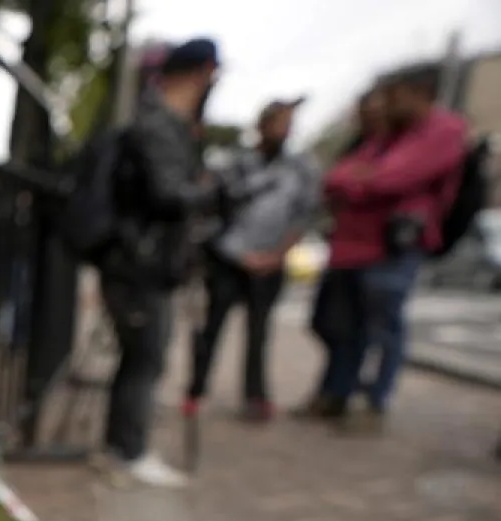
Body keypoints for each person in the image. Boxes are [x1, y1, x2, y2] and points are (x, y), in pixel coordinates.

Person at [96, 37, 224, 487]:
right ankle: (128, 450)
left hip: (148, 262)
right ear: (202, 72)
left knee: (143, 358)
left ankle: (124, 445)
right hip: (141, 264)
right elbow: (167, 194)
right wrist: (214, 190)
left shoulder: (168, 124)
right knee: (145, 357)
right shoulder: (157, 125)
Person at [320, 62, 468, 432]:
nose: (388, 104)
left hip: (395, 245)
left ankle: (375, 404)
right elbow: (338, 176)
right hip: (360, 245)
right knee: (348, 327)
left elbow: (393, 178)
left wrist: (361, 181)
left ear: (421, 94)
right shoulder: (390, 134)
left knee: (385, 329)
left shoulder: (443, 130)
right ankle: (341, 394)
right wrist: (360, 179)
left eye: (396, 96)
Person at [184, 98, 322, 421]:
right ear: (261, 125)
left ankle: (255, 397)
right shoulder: (235, 164)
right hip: (229, 258)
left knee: (259, 332)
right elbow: (212, 210)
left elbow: (303, 216)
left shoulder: (300, 169)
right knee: (212, 326)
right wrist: (236, 252)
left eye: (288, 124)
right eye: (278, 123)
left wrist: (277, 255)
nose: (283, 130)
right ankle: (195, 389)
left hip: (271, 262)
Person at [296, 88, 391, 419]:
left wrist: (357, 181)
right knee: (327, 323)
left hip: (375, 252)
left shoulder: (394, 148)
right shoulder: (358, 146)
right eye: (364, 109)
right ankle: (335, 388)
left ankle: (344, 395)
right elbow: (333, 180)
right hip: (342, 250)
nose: (369, 116)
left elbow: (385, 182)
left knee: (362, 331)